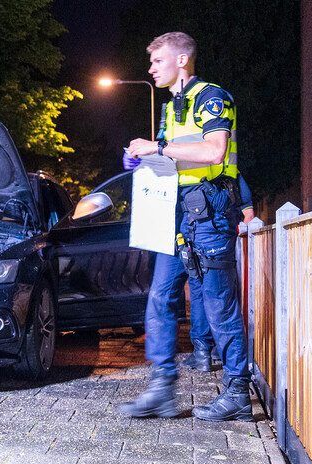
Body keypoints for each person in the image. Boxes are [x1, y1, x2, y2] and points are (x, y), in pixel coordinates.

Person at [119, 32, 253, 422]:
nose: (150, 68)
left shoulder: (212, 96)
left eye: (157, 61)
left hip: (209, 214)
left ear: (181, 61)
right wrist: (138, 159)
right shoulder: (169, 109)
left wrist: (157, 149)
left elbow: (215, 151)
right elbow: (170, 159)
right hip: (176, 214)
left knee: (217, 302)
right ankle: (162, 390)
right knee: (160, 297)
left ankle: (237, 392)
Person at [183, 174, 254, 371]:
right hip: (199, 232)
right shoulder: (228, 172)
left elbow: (247, 213)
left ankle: (227, 369)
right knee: (205, 295)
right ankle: (205, 352)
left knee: (218, 303)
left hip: (210, 232)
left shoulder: (212, 160)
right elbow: (247, 212)